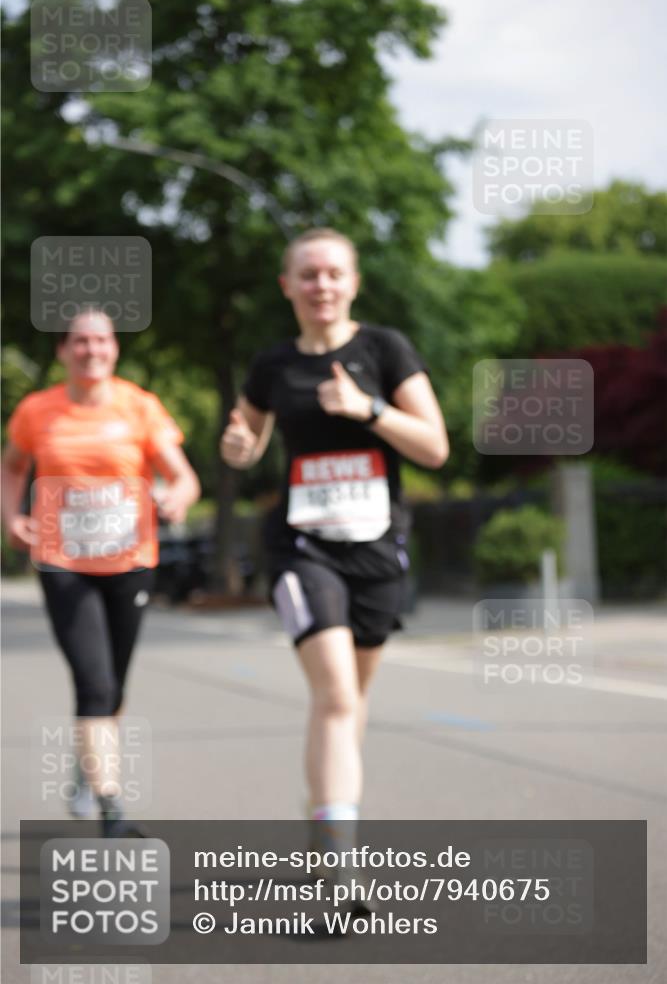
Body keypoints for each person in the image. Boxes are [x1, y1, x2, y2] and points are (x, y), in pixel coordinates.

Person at [221, 228, 448, 886]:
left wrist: (367, 407)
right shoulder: (272, 366)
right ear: (286, 285)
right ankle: (338, 858)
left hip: (376, 546)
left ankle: (326, 814)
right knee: (336, 693)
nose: (321, 285)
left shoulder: (384, 349)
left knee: (352, 701)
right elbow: (247, 441)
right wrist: (236, 448)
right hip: (302, 546)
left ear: (352, 282)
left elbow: (434, 448)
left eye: (332, 274)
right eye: (308, 274)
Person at [1, 311, 200, 836]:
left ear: (114, 349)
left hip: (129, 561)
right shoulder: (36, 411)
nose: (92, 349)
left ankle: (87, 767)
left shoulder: (140, 407)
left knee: (113, 686)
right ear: (63, 351)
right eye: (81, 341)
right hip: (63, 561)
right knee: (93, 681)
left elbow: (182, 477)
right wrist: (10, 516)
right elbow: (13, 466)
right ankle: (112, 807)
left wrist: (175, 498)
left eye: (102, 340)